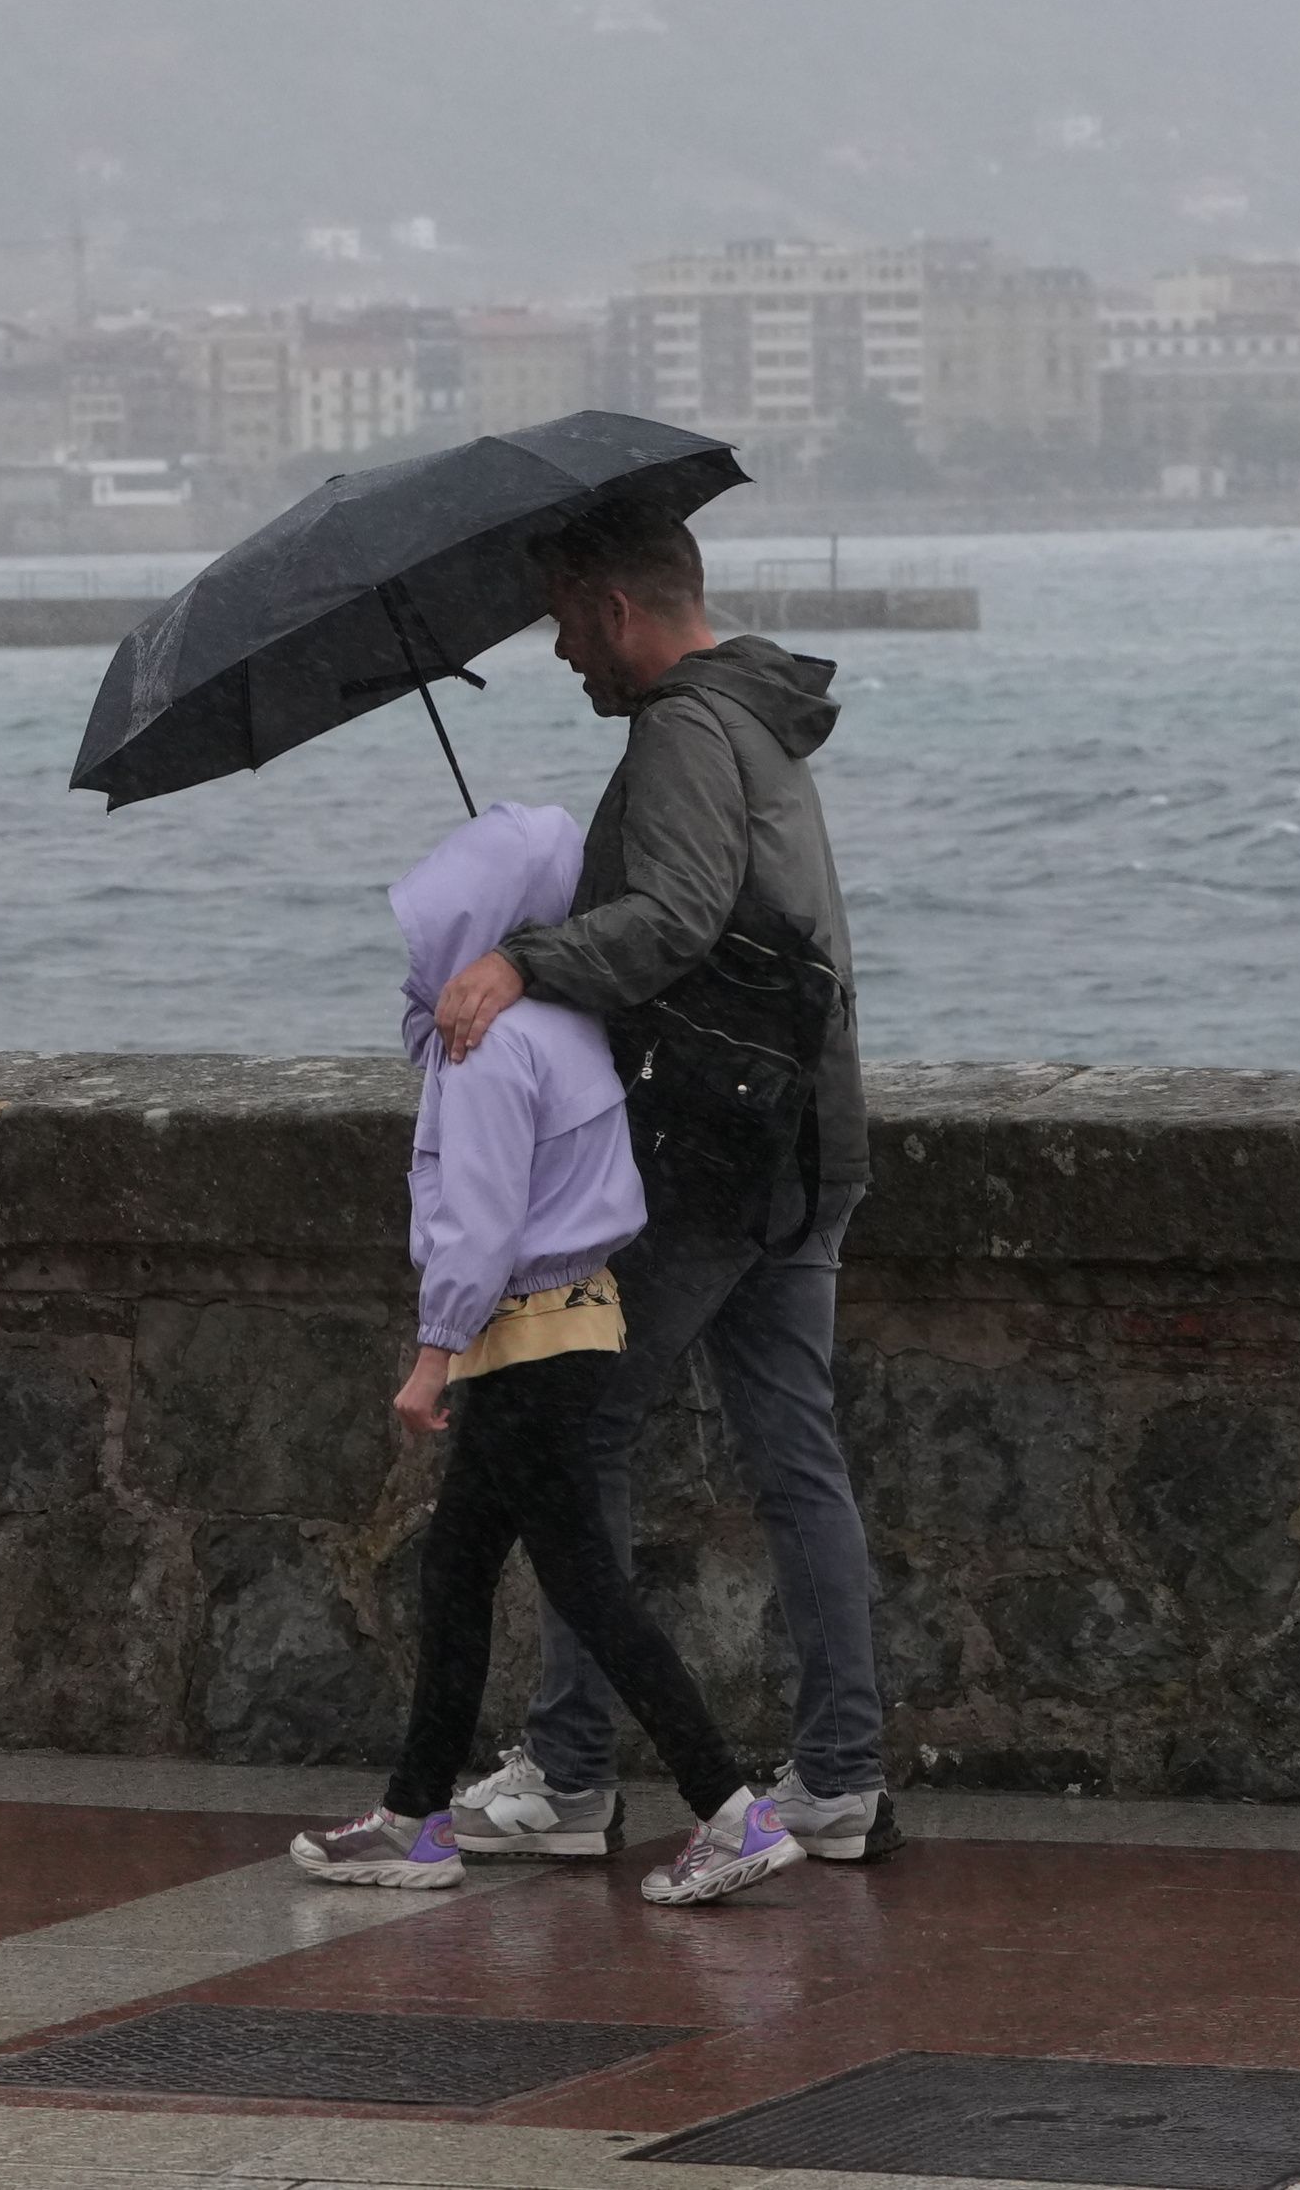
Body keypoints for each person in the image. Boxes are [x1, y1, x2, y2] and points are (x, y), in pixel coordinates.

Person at [425, 497, 887, 1864]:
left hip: (713, 1160)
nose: (563, 654)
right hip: (804, 1141)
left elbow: (680, 916)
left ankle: (569, 1773)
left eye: (566, 623)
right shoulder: (756, 719)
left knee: (575, 1433)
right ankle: (840, 1775)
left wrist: (523, 958)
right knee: (795, 1452)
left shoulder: (683, 723)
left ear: (617, 610)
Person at [291, 791, 800, 1909]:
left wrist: (432, 1357)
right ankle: (412, 1817)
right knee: (460, 1569)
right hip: (577, 1320)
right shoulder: (569, 1019)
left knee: (585, 1585)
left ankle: (730, 1811)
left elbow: (476, 1226)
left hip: (519, 1339)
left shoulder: (482, 1047)